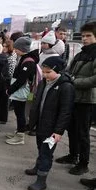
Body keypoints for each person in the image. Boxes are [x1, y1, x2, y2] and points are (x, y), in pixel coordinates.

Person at [25, 56, 74, 190]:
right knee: (40, 147)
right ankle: (38, 166)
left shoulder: (66, 87)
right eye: (44, 72)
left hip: (52, 128)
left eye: (48, 72)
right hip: (41, 124)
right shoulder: (43, 83)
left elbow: (66, 111)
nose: (45, 75)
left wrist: (58, 131)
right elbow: (37, 101)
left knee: (47, 152)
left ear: (57, 71)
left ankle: (41, 180)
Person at [55, 22, 96, 177]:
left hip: (87, 100)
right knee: (71, 129)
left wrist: (74, 82)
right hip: (74, 97)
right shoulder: (81, 54)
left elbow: (94, 80)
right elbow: (70, 70)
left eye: (89, 36)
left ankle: (83, 163)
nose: (84, 39)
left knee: (83, 133)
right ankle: (73, 155)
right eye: (83, 35)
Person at [6, 37, 39, 145]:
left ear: (22, 48)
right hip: (24, 91)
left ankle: (20, 135)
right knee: (19, 112)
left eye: (16, 48)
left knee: (21, 113)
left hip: (23, 92)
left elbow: (21, 80)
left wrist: (10, 90)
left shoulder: (28, 62)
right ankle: (19, 131)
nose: (14, 50)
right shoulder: (25, 59)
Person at [0, 40, 17, 123]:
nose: (4, 48)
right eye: (3, 46)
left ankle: (3, 118)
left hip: (8, 81)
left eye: (6, 46)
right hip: (3, 80)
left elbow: (11, 72)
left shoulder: (11, 58)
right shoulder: (4, 55)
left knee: (5, 100)